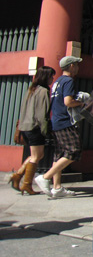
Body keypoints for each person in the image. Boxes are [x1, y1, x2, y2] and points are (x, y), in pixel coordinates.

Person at [34, 56, 85, 198]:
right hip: (66, 121)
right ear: (72, 66)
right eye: (76, 65)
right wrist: (81, 103)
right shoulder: (69, 81)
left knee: (59, 154)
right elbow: (68, 101)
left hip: (56, 121)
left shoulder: (57, 82)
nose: (78, 68)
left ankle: (57, 188)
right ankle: (45, 177)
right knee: (74, 150)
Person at [11, 65, 56, 195]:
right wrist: (45, 129)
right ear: (45, 77)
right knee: (37, 156)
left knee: (35, 155)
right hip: (35, 127)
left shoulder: (31, 89)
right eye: (51, 76)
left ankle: (19, 176)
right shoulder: (43, 91)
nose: (52, 78)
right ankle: (26, 183)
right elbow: (42, 113)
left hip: (25, 127)